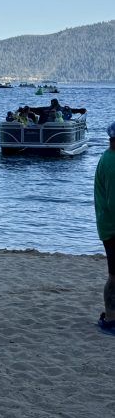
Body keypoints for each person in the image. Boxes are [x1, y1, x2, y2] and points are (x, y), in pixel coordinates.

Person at [95, 121, 115, 336]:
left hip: (109, 225)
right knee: (114, 276)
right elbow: (113, 202)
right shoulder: (111, 163)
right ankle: (110, 318)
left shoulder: (109, 159)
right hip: (112, 228)